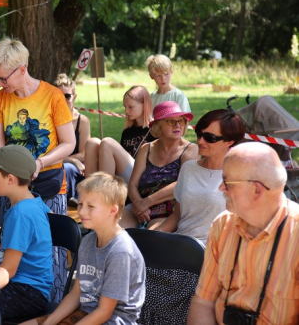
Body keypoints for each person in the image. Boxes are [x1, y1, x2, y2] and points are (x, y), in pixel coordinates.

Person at [0, 37, 75, 303]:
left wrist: (40, 163)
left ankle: (49, 310)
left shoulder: (53, 96)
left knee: (51, 254)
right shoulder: (0, 99)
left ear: (21, 69)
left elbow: (69, 143)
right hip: (12, 185)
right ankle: (12, 304)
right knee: (11, 249)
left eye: (2, 78)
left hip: (49, 184)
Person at [187, 142, 299, 325]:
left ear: (257, 190)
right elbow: (203, 302)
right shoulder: (222, 225)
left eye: (227, 182)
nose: (221, 188)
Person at [23, 172, 146, 325]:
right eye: (80, 204)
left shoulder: (121, 252)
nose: (81, 211)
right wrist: (49, 323)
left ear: (112, 211)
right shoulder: (88, 241)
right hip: (85, 314)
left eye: (91, 206)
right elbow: (76, 294)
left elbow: (104, 312)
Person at [0, 146, 54, 320]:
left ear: (10, 179)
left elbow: (8, 271)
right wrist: (6, 232)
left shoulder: (20, 214)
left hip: (25, 292)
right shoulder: (33, 201)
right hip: (22, 285)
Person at [155, 110, 246, 244]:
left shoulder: (240, 174)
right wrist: (155, 234)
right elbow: (178, 215)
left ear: (229, 141)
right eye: (199, 134)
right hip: (181, 244)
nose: (201, 141)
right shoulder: (188, 168)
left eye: (210, 137)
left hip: (216, 250)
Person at [120, 101, 199, 229]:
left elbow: (182, 184)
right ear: (158, 126)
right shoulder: (146, 149)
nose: (177, 125)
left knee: (151, 238)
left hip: (170, 211)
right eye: (171, 121)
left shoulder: (191, 150)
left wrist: (147, 202)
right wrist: (139, 205)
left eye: (181, 121)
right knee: (112, 230)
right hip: (139, 207)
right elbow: (133, 184)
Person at [85, 86, 155, 186]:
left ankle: (105, 195)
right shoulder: (128, 131)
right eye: (125, 107)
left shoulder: (155, 129)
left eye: (130, 107)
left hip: (142, 176)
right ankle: (89, 193)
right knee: (92, 143)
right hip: (125, 173)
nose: (126, 111)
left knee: (107, 142)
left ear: (144, 106)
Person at [53, 73, 90, 201]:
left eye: (67, 96)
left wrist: (69, 161)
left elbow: (84, 154)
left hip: (72, 167)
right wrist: (72, 160)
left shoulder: (82, 121)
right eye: (59, 96)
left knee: (66, 169)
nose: (63, 100)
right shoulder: (49, 120)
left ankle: (68, 203)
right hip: (56, 162)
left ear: (74, 97)